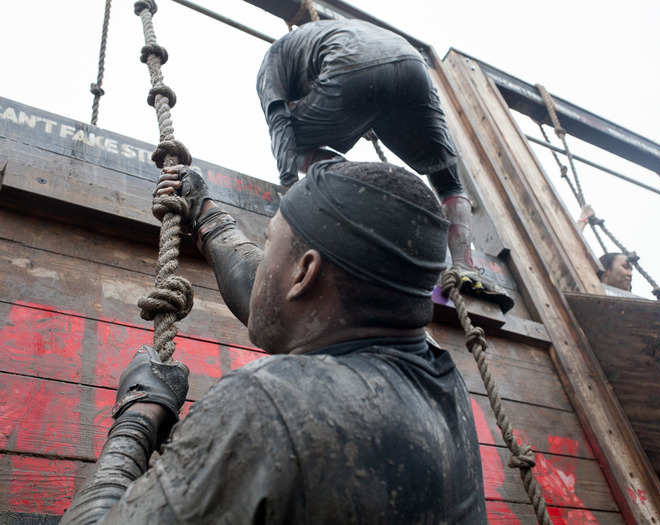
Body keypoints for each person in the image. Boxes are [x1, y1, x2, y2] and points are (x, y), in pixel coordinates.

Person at [60, 160, 487, 524]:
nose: (263, 263)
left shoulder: (268, 403)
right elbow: (284, 302)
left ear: (304, 273)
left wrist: (138, 416)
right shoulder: (439, 382)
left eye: (269, 244)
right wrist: (207, 216)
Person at [256, 19, 479, 278]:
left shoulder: (270, 65)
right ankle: (465, 268)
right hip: (413, 67)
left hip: (350, 66)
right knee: (449, 183)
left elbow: (280, 125)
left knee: (291, 144)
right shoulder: (327, 32)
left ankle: (350, 185)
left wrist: (289, 191)